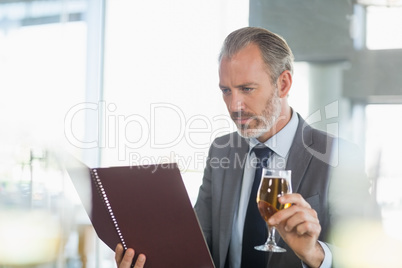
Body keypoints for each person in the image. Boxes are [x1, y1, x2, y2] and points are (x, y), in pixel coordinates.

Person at [115, 27, 377, 268]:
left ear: (283, 84)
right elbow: (198, 246)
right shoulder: (221, 151)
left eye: (246, 89)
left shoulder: (341, 157)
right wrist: (151, 259)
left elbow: (368, 257)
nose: (233, 106)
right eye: (226, 91)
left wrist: (314, 253)